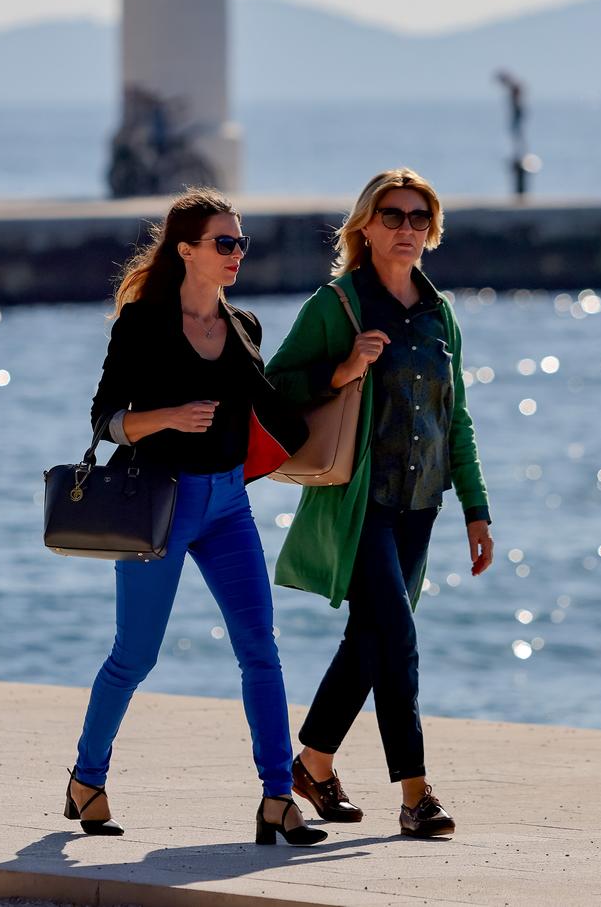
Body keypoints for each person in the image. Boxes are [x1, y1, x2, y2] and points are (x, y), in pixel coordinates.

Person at [65, 188, 326, 846]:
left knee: (260, 650)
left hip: (228, 503)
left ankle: (276, 798)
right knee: (135, 655)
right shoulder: (143, 326)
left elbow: (278, 408)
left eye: (241, 242)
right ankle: (86, 779)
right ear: (187, 250)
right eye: (224, 242)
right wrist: (167, 419)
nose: (237, 253)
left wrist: (346, 371)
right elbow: (106, 420)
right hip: (161, 502)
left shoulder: (244, 327)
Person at [266, 167, 494, 838]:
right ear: (365, 225)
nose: (405, 228)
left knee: (370, 643)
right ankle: (416, 794)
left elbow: (458, 419)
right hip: (359, 502)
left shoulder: (439, 312)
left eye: (418, 217)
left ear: (433, 229)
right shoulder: (337, 305)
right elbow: (275, 388)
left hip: (420, 505)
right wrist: (342, 370)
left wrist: (476, 509)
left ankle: (310, 763)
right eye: (392, 215)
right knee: (396, 637)